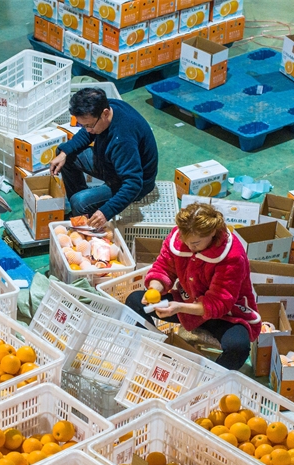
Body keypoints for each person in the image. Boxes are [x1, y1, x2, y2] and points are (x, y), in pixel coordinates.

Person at [125, 203, 261, 371]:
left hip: (226, 315)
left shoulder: (232, 256)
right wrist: (154, 288)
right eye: (185, 240)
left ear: (212, 233)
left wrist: (179, 307)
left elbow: (219, 303)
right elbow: (164, 268)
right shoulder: (178, 238)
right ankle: (154, 351)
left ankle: (210, 380)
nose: (190, 247)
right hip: (187, 301)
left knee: (238, 347)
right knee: (134, 301)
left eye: (195, 243)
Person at [49, 87, 158, 229]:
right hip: (109, 162)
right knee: (65, 153)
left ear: (105, 113)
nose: (87, 129)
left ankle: (84, 213)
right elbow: (87, 133)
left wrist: (106, 212)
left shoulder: (122, 140)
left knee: (79, 201)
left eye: (89, 125)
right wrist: (64, 153)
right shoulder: (108, 107)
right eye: (84, 125)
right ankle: (85, 207)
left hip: (130, 182)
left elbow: (133, 184)